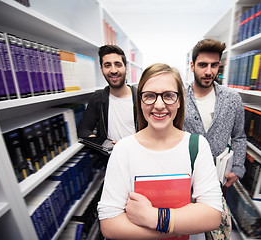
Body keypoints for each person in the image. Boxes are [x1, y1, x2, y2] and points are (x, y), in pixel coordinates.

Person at [97, 63, 222, 240]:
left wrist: (151, 217)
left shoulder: (197, 146)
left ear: (179, 101)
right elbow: (110, 224)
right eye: (149, 96)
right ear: (140, 101)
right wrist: (179, 227)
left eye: (169, 95)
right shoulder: (123, 150)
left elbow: (212, 215)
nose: (159, 105)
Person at [184, 38, 247, 188]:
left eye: (214, 65)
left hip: (218, 178)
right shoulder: (180, 98)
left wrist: (237, 168)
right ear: (192, 66)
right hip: (184, 175)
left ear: (220, 65)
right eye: (203, 65)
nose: (208, 71)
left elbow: (239, 136)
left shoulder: (232, 99)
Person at [77, 44, 138, 143]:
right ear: (102, 70)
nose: (113, 70)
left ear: (126, 69)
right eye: (107, 65)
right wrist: (105, 144)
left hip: (137, 155)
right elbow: (83, 130)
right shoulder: (98, 98)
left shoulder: (141, 98)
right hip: (109, 157)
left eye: (118, 64)